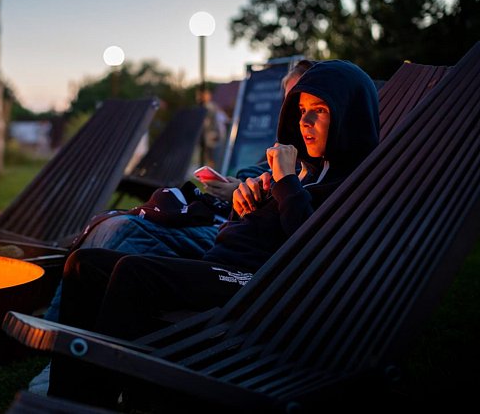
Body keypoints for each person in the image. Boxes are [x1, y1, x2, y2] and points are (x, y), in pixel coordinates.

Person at [47, 59, 379, 406]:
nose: (305, 121)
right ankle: (64, 401)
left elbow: (314, 250)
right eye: (301, 110)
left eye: (320, 110)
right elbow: (254, 228)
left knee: (133, 272)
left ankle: (101, 400)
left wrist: (285, 182)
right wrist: (248, 203)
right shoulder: (307, 171)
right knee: (83, 263)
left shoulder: (356, 184)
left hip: (258, 285)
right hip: (222, 265)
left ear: (349, 115)